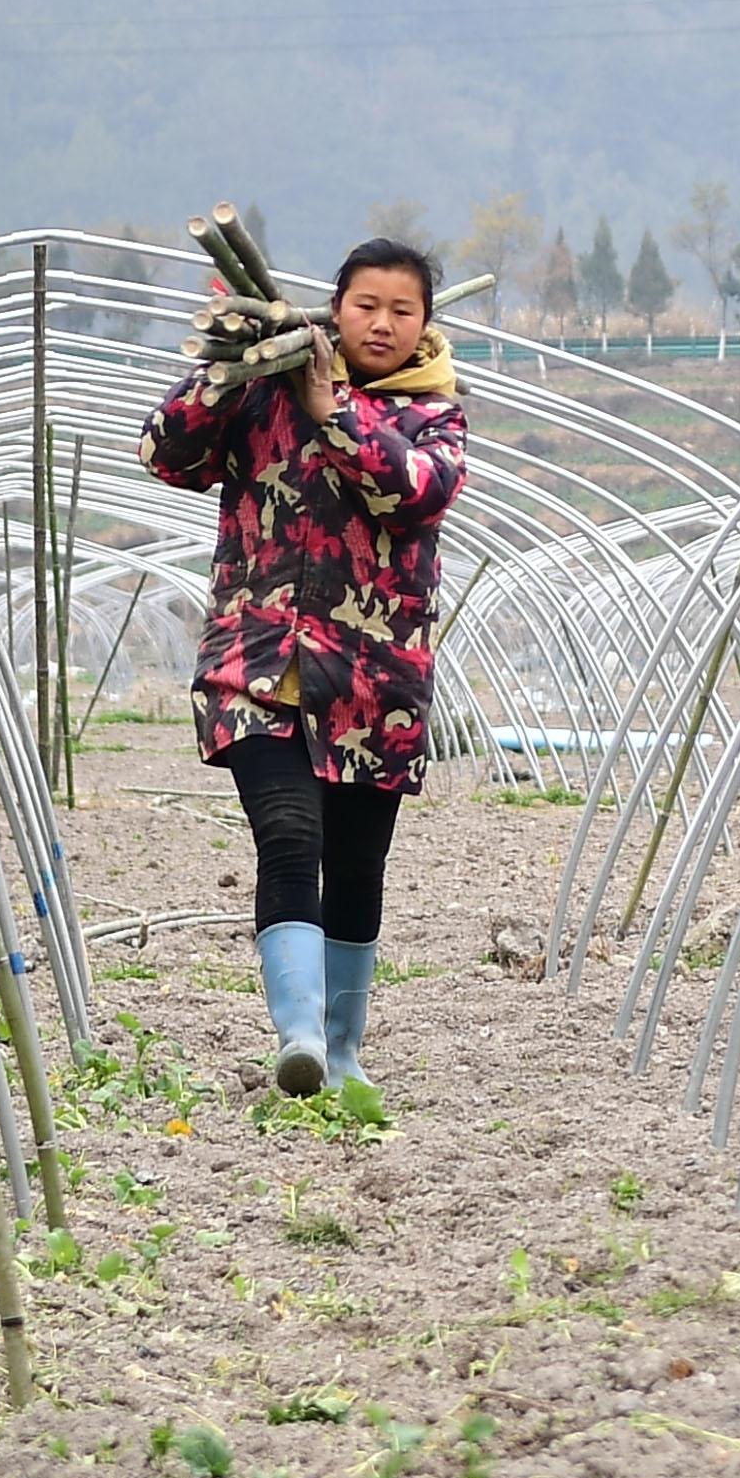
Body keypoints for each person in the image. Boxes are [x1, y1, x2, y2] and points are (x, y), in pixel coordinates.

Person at [141, 236, 467, 1095]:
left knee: (357, 868)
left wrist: (332, 408)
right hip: (259, 660)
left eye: (403, 310)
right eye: (367, 305)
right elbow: (166, 454)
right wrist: (228, 372)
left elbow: (412, 492)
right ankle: (300, 1042)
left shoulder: (430, 416)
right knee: (289, 836)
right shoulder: (263, 393)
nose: (383, 324)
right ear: (334, 306)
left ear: (425, 323)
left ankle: (343, 1047)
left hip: (373, 685)